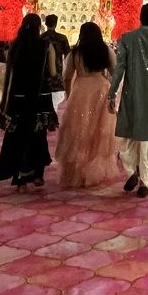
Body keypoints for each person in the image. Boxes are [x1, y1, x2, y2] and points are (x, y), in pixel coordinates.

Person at [108, 2, 148, 198]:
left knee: (129, 136)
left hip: (131, 93)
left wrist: (112, 92)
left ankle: (131, 172)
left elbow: (119, 69)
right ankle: (145, 180)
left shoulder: (127, 38)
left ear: (140, 16)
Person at [0, 13, 57, 191]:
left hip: (18, 97)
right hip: (39, 97)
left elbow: (10, 74)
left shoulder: (15, 46)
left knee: (17, 136)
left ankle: (20, 179)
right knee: (38, 135)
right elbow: (53, 73)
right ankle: (37, 174)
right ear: (39, 27)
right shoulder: (46, 46)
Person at [55, 22, 118, 188]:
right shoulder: (105, 50)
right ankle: (95, 168)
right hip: (101, 89)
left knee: (79, 129)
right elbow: (115, 72)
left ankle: (79, 169)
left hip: (81, 90)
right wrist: (112, 93)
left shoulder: (76, 53)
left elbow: (67, 76)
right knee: (99, 130)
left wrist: (69, 95)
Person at [42, 14, 71, 110]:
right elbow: (68, 56)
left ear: (46, 24)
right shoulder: (62, 38)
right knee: (56, 106)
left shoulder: (41, 38)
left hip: (43, 75)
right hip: (57, 75)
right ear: (56, 24)